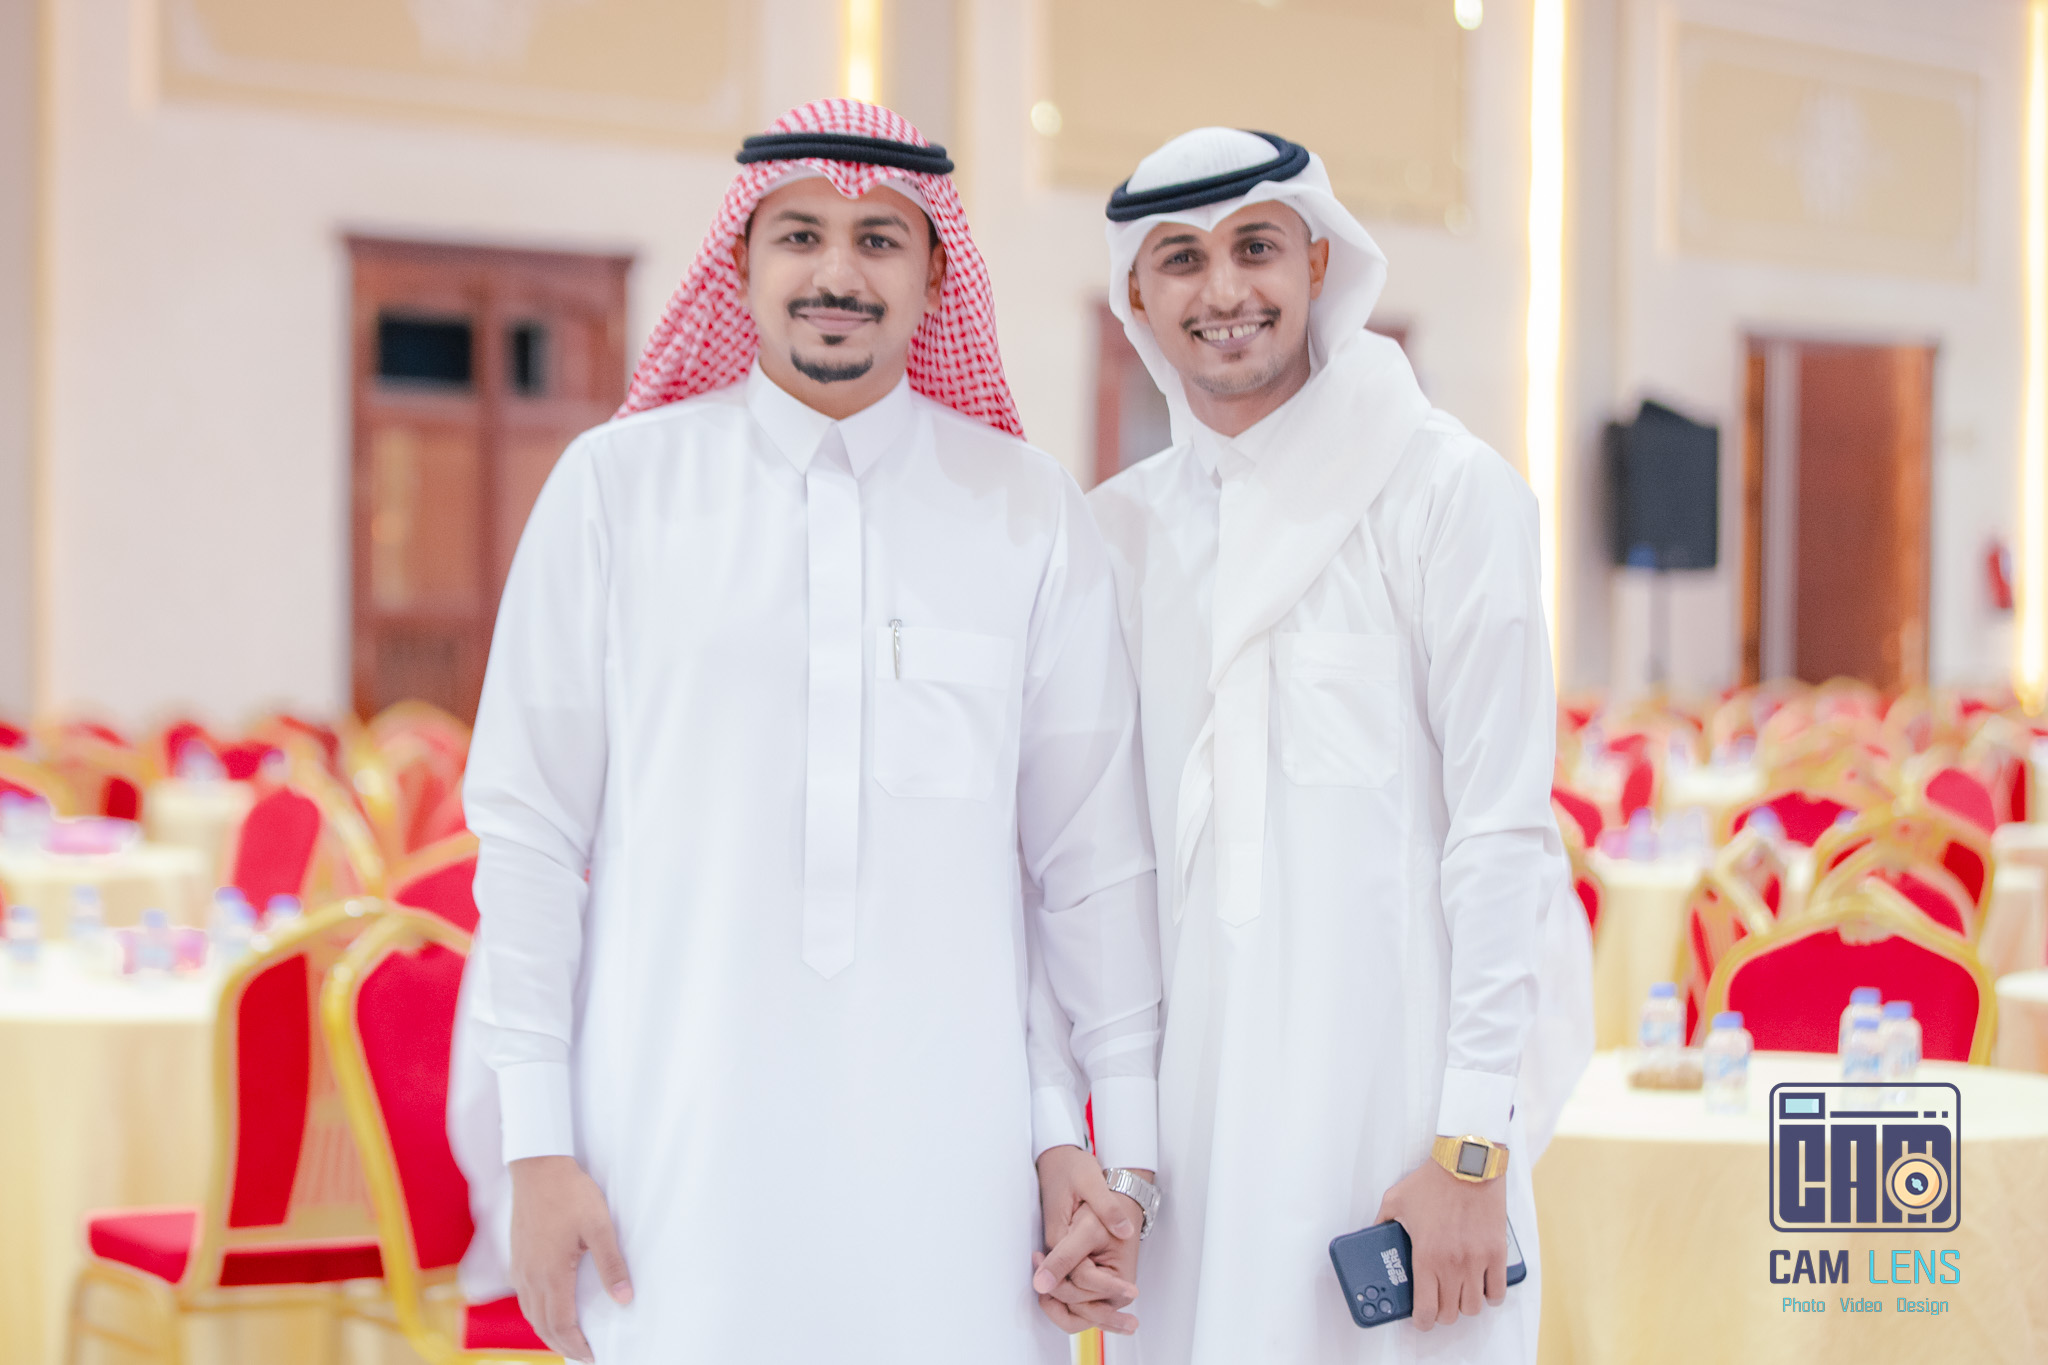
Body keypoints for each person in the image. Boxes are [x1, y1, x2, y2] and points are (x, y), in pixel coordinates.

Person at [463, 99, 1162, 1365]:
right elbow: (527, 838)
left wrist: (1084, 1140)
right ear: (739, 262)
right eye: (799, 235)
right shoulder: (614, 491)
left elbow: (1073, 869)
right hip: (668, 1154)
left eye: (879, 240)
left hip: (952, 1175)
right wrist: (536, 1149)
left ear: (935, 276)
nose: (837, 273)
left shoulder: (1026, 511)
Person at [1061, 127, 1571, 1363]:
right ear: (1138, 297)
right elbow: (1093, 873)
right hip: (1189, 1155)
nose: (1222, 290)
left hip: (1396, 1140)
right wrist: (1114, 1159)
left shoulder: (1446, 493)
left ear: (1319, 263)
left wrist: (1471, 1148)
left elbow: (1502, 839)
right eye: (1180, 259)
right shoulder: (1115, 538)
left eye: (1255, 248)